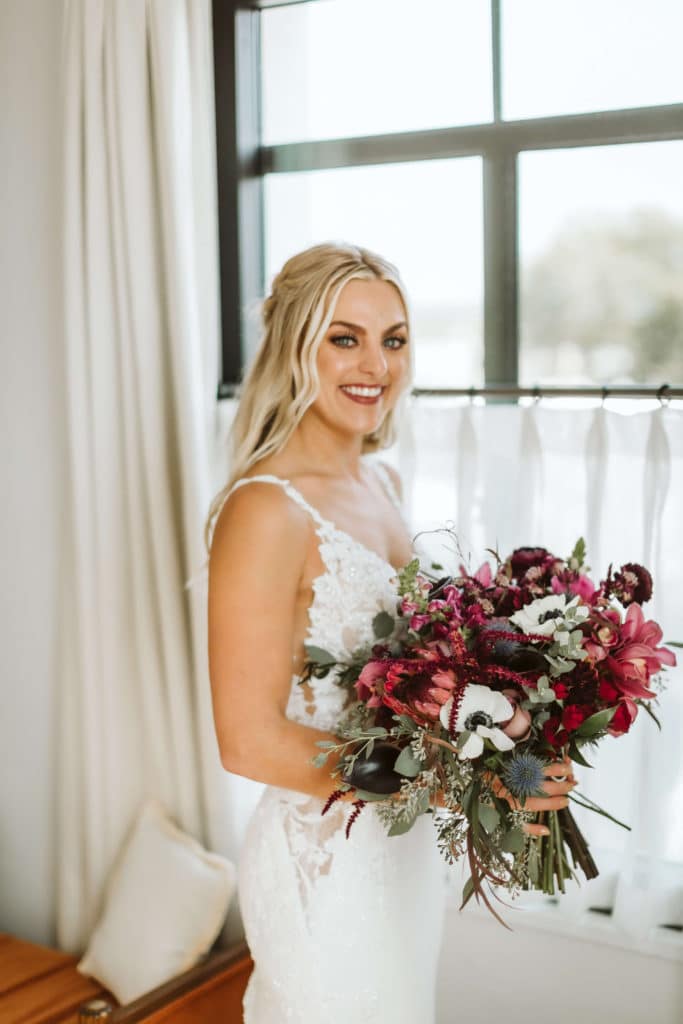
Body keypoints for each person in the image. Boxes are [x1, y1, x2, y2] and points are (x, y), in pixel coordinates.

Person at [205, 242, 574, 1023]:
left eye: (393, 338)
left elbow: (420, 673)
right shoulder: (265, 509)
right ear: (293, 347)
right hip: (325, 854)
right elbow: (246, 740)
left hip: (398, 851)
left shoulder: (383, 480)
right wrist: (470, 780)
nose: (374, 363)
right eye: (344, 338)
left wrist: (511, 737)